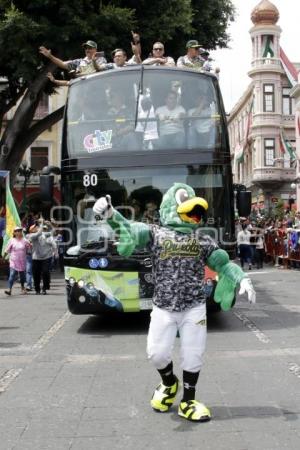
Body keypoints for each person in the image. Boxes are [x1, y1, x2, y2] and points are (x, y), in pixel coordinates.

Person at [93, 184, 256, 422]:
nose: (194, 216)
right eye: (188, 209)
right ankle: (169, 383)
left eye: (197, 213)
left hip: (194, 307)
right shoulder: (156, 234)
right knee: (156, 354)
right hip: (163, 307)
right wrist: (110, 213)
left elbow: (222, 263)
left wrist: (242, 277)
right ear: (170, 207)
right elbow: (128, 228)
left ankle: (188, 401)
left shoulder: (202, 240)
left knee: (193, 355)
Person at [39, 40, 106, 79]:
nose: (87, 50)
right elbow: (62, 63)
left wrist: (94, 61)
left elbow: (100, 70)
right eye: (86, 48)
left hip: (97, 89)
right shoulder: (79, 62)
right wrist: (50, 56)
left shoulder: (101, 59)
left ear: (95, 49)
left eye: (90, 48)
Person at [28, 221, 57, 295]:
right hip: (36, 258)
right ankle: (37, 289)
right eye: (35, 227)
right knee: (36, 274)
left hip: (47, 256)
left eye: (37, 226)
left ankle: (44, 288)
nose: (37, 227)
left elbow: (53, 233)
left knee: (45, 272)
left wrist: (50, 225)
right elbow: (38, 233)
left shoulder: (46, 235)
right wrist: (41, 224)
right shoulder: (31, 236)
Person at [4, 226, 31, 296]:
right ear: (14, 233)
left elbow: (30, 247)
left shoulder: (25, 240)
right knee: (12, 274)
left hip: (22, 261)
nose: (19, 232)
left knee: (22, 276)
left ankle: (22, 288)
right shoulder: (11, 240)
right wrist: (3, 257)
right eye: (17, 231)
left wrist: (30, 246)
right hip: (13, 260)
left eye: (20, 230)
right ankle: (9, 289)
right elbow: (7, 250)